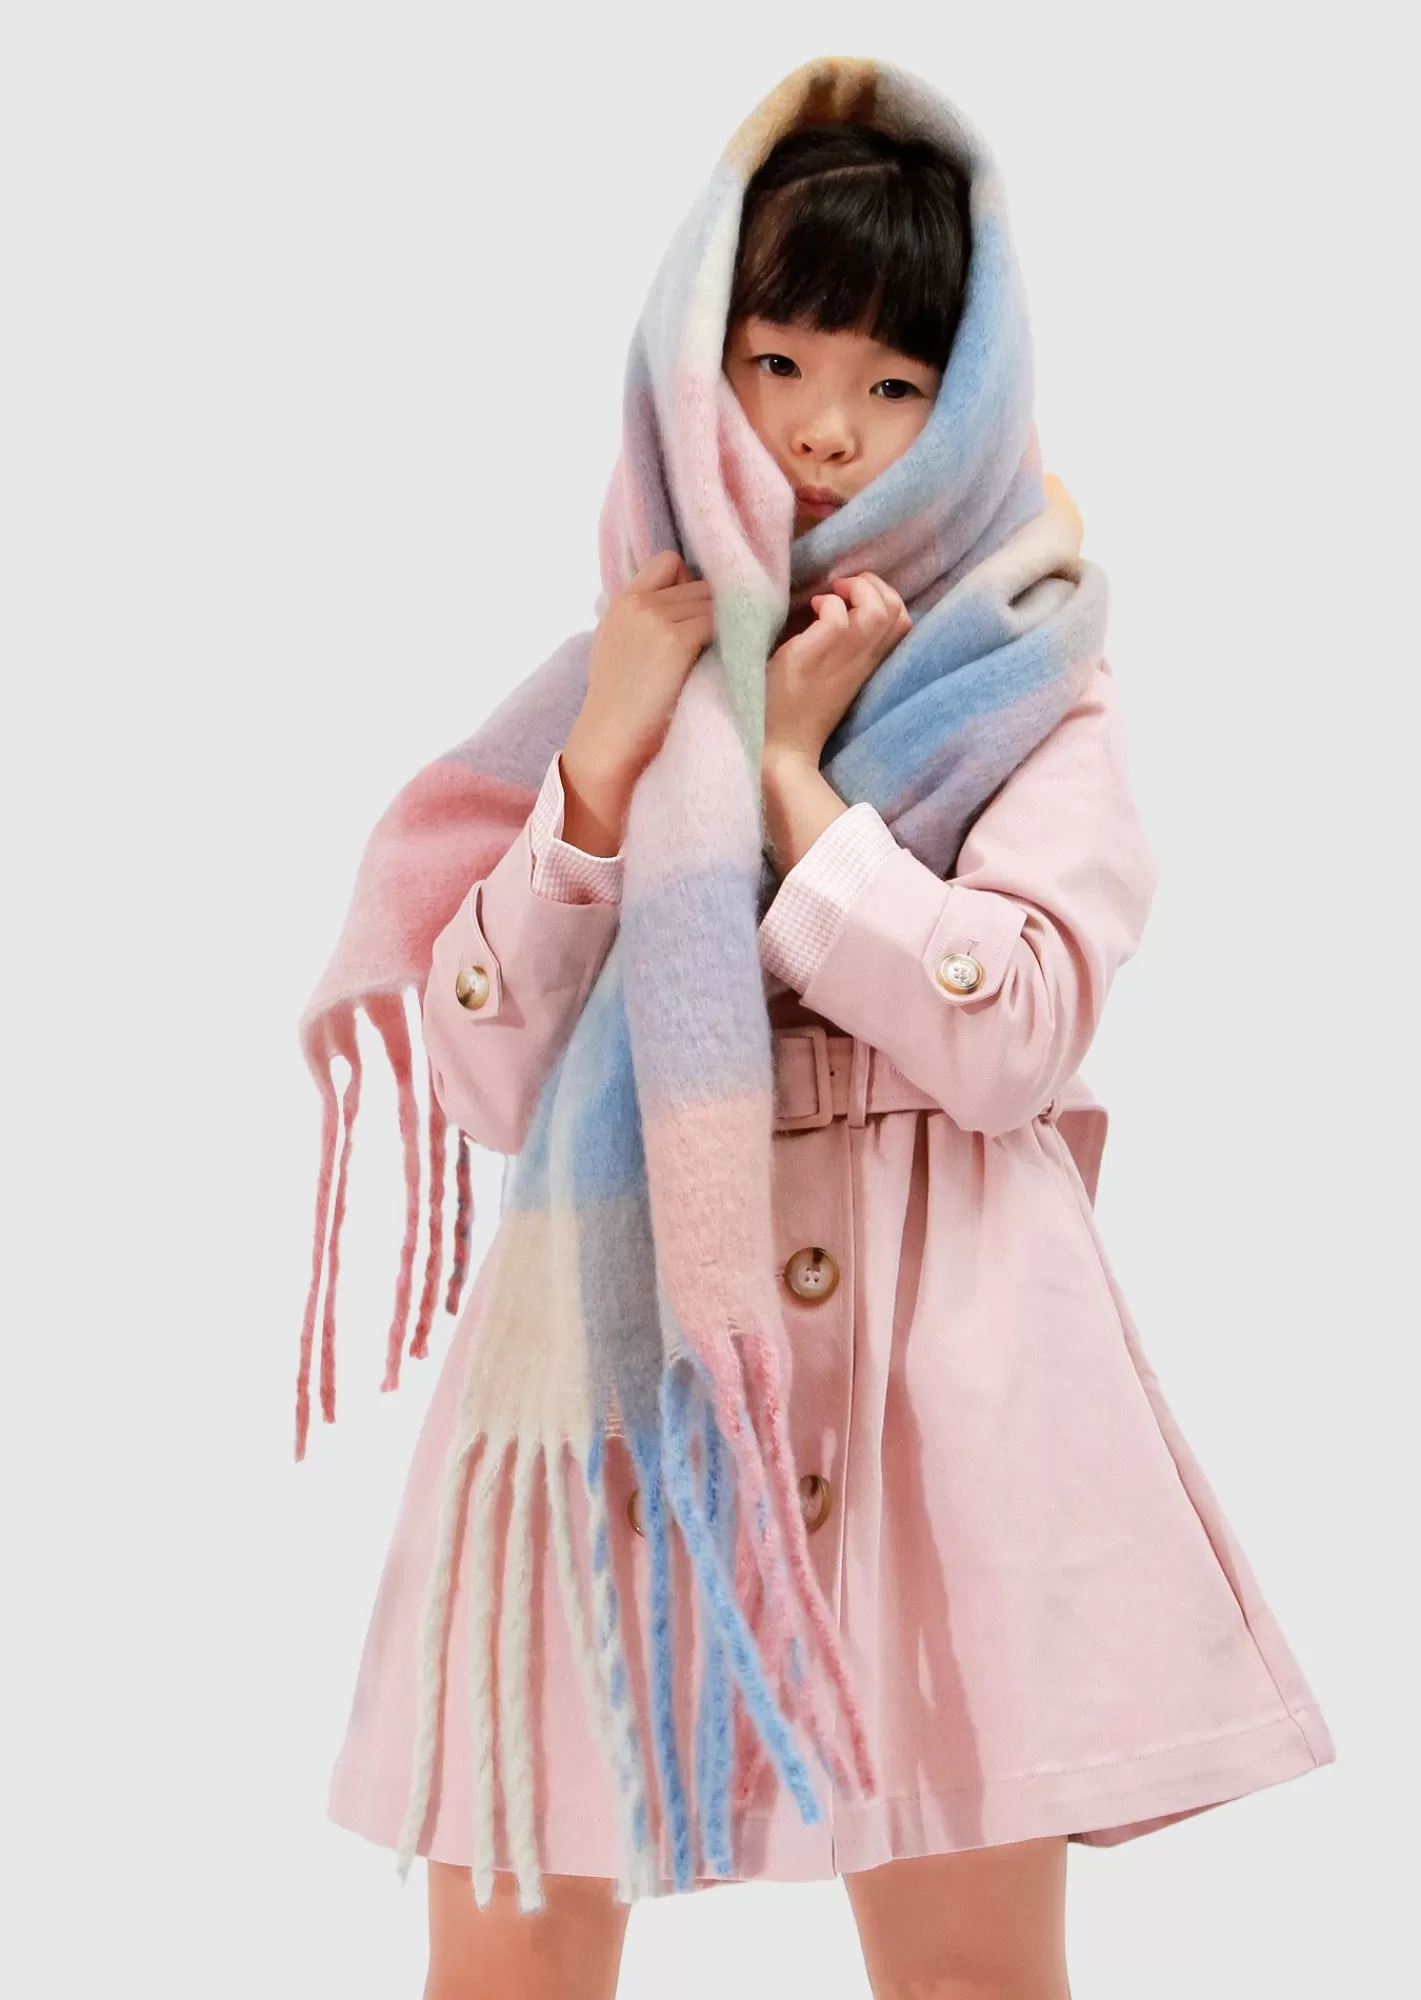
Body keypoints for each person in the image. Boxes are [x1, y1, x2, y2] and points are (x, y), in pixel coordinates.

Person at [300, 57, 1334, 2000]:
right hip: (615, 1380)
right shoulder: (611, 672)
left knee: (966, 1980)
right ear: (698, 364)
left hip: (945, 1392)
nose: (824, 431)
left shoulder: (1029, 675)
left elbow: (1013, 1036)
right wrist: (602, 773)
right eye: (775, 364)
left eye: (893, 384)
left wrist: (792, 786)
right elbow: (491, 1074)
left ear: (973, 395)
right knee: (506, 1968)